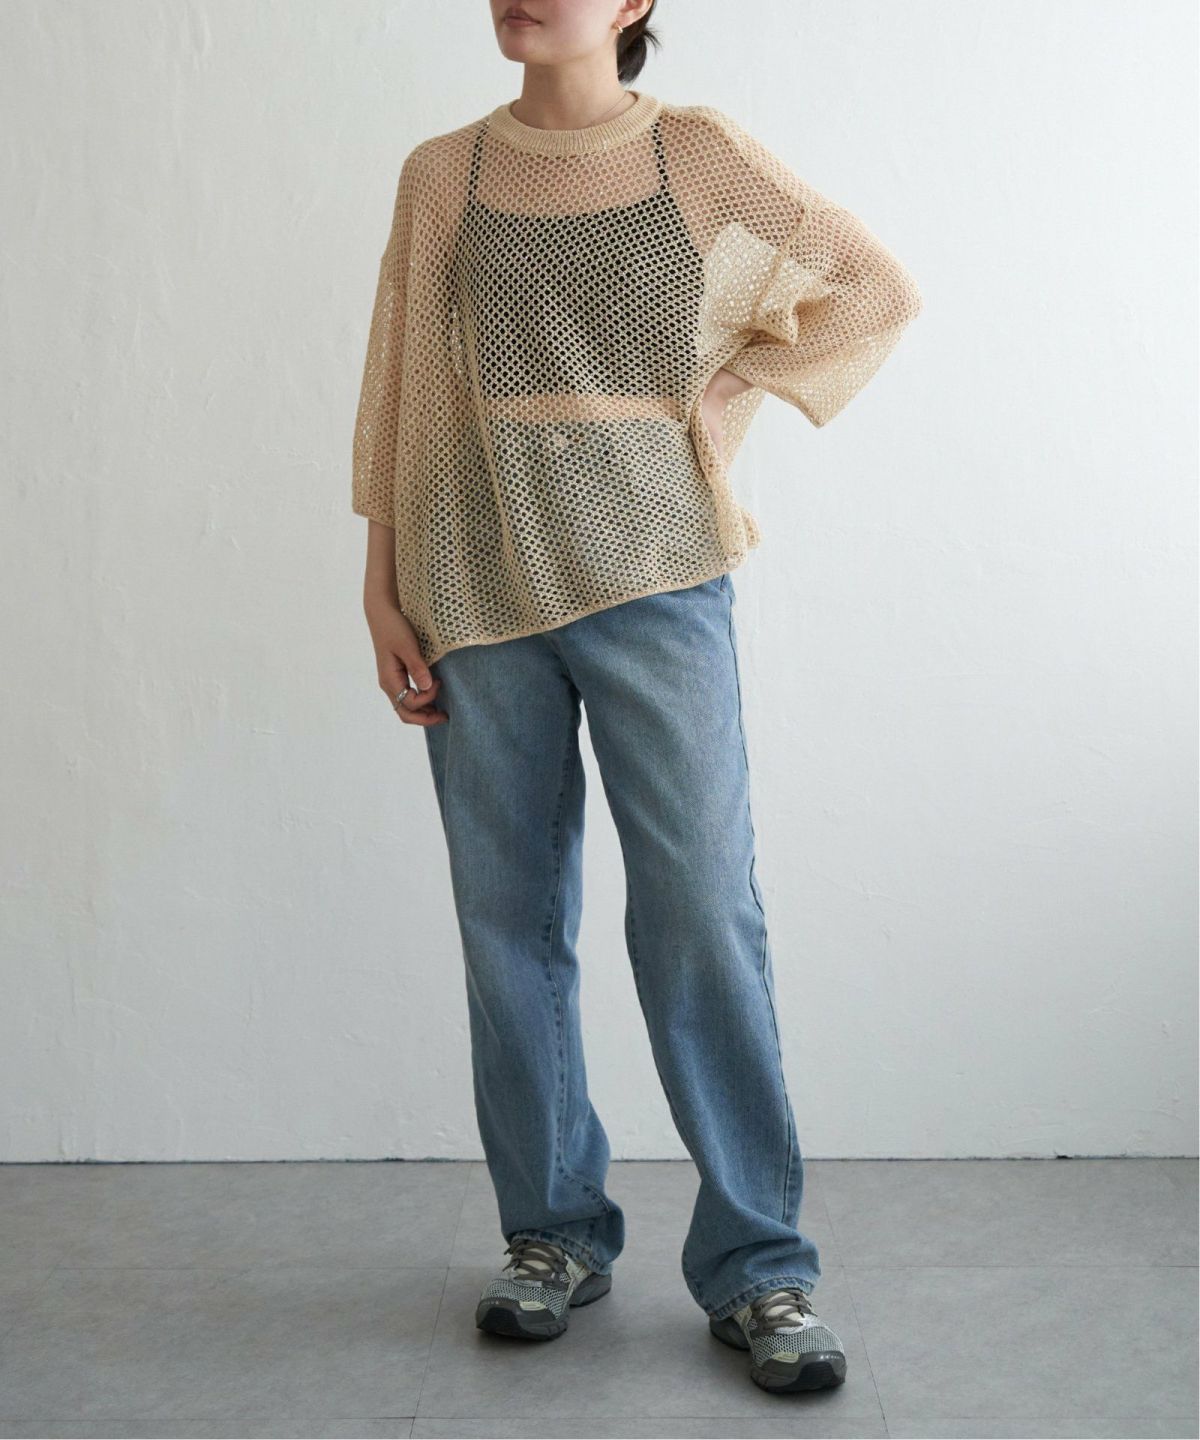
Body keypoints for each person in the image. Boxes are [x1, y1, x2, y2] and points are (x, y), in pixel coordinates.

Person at [351, 0, 921, 1396]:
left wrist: (719, 400)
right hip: (474, 579)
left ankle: (761, 1263)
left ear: (635, 3)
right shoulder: (446, 172)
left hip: (658, 573)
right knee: (508, 921)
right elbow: (402, 388)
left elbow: (868, 290)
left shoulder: (695, 155)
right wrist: (381, 584)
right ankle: (550, 1233)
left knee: (700, 912)